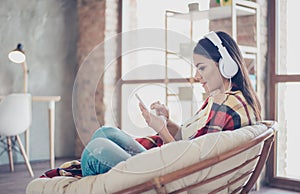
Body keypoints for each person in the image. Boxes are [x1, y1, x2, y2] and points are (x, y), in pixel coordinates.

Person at [80, 31, 261, 176]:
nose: (197, 77)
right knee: (105, 132)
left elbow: (192, 162)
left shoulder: (224, 105)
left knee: (94, 152)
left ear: (225, 65)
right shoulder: (226, 98)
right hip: (170, 165)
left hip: (171, 176)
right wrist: (168, 121)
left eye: (201, 68)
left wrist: (161, 130)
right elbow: (193, 142)